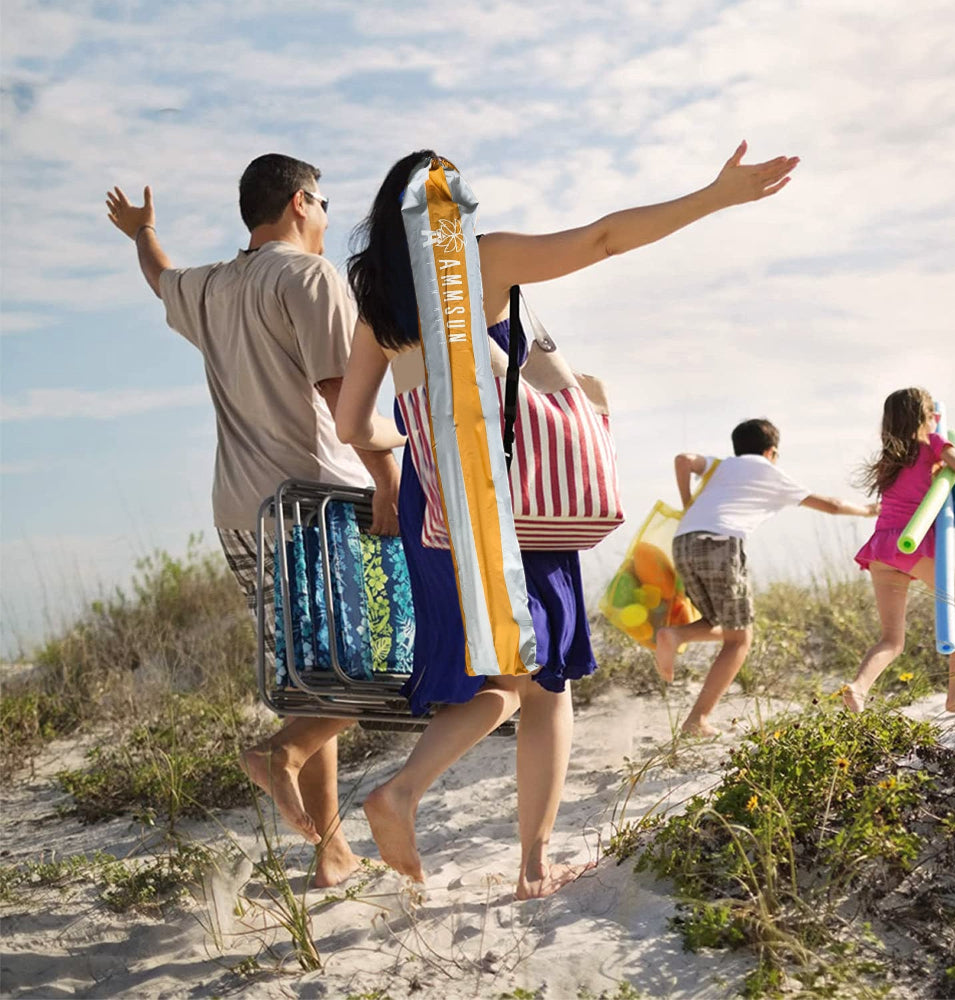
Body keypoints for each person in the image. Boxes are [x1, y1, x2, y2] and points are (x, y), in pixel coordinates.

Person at [335, 142, 799, 898]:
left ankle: (404, 790)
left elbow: (355, 423)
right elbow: (603, 238)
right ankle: (530, 866)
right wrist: (714, 197)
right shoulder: (481, 262)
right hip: (515, 500)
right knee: (545, 687)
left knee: (499, 682)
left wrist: (419, 434)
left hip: (437, 511)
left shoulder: (380, 302)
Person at [105, 154, 404, 887]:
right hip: (319, 503)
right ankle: (283, 754)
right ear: (301, 202)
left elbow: (158, 277)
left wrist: (142, 233)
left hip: (243, 513)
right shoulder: (307, 278)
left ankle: (330, 850)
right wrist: (393, 487)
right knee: (393, 659)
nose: (330, 218)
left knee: (316, 679)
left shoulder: (208, 285)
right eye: (326, 203)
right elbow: (348, 404)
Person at [655, 418, 878, 736]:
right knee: (740, 640)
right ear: (772, 452)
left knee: (720, 622)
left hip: (683, 542)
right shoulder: (768, 471)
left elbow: (683, 460)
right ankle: (697, 720)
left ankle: (677, 636)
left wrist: (688, 502)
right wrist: (869, 511)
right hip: (722, 542)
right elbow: (832, 505)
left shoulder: (722, 466)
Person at [844, 387, 955, 713]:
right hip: (913, 544)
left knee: (891, 640)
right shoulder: (933, 445)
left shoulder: (890, 457)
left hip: (882, 549)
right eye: (931, 415)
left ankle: (858, 688)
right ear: (925, 418)